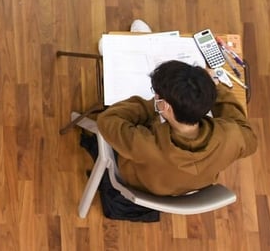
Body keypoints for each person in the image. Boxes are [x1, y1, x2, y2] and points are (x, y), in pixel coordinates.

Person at [96, 52, 257, 197]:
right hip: (186, 188)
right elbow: (248, 137)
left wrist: (150, 106)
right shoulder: (232, 138)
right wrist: (215, 89)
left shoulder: (144, 144)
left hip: (143, 184)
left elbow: (107, 120)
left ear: (165, 105)